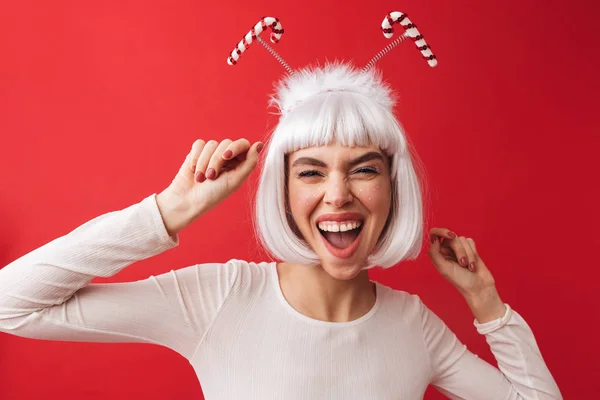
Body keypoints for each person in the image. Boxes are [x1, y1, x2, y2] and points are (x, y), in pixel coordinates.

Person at [0, 58, 561, 399]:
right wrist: (168, 212)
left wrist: (487, 304)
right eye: (311, 172)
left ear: (393, 188)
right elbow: (11, 305)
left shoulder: (414, 327)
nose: (337, 194)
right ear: (284, 192)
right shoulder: (218, 299)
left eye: (364, 169)